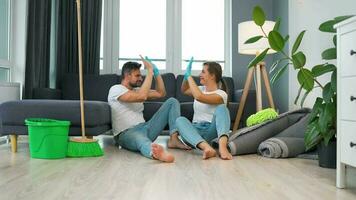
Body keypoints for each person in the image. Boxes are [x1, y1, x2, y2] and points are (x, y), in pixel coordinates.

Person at [108, 56, 189, 162]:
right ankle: (154, 152)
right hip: (126, 133)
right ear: (127, 75)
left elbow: (161, 93)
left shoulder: (137, 90)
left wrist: (156, 72)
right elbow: (141, 96)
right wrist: (149, 71)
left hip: (146, 128)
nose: (141, 78)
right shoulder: (116, 89)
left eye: (141, 76)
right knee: (140, 140)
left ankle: (173, 139)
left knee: (172, 101)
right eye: (137, 75)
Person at [175, 58, 233, 160]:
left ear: (212, 75)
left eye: (203, 72)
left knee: (222, 108)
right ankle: (207, 148)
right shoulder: (200, 89)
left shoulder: (221, 94)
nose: (199, 75)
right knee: (180, 120)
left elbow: (199, 97)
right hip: (194, 133)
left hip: (211, 132)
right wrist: (186, 76)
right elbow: (184, 90)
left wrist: (189, 77)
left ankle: (222, 148)